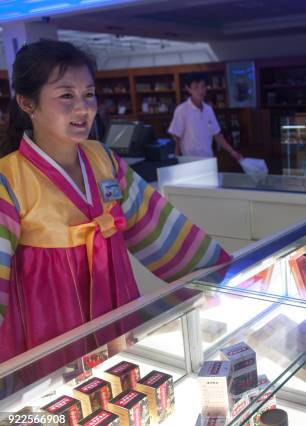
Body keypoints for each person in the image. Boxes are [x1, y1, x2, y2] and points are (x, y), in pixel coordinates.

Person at [0, 40, 231, 362]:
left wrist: (226, 278)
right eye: (66, 95)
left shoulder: (102, 159)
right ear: (27, 103)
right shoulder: (8, 179)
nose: (83, 108)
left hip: (117, 311)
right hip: (50, 330)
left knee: (121, 380)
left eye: (89, 94)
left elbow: (158, 228)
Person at [168, 73, 242, 161]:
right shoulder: (181, 110)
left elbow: (217, 135)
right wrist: (176, 160)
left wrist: (232, 152)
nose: (200, 90)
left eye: (203, 86)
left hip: (208, 159)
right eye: (196, 87)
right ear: (188, 89)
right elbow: (176, 136)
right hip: (189, 161)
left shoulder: (209, 110)